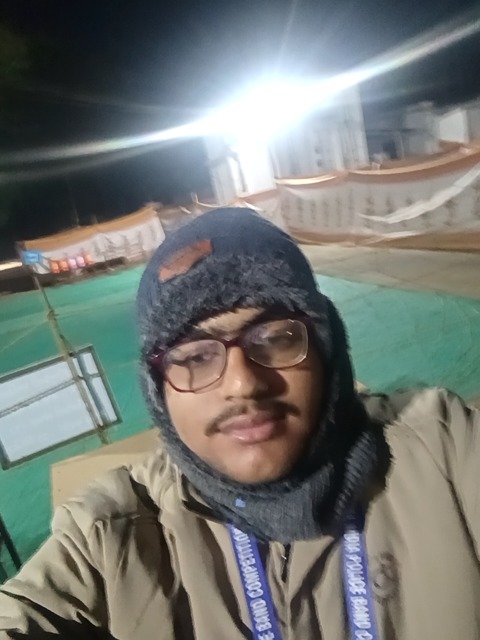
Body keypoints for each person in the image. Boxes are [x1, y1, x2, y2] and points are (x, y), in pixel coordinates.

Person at [1, 207, 480, 640]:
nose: (243, 384)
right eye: (195, 356)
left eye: (276, 338)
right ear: (157, 390)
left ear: (327, 348)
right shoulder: (113, 534)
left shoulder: (444, 456)